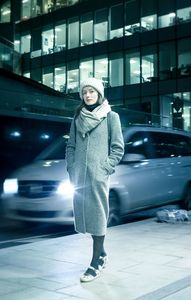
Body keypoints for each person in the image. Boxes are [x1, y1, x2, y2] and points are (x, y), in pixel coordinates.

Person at [66, 77, 124, 282]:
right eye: (84, 92)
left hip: (98, 176)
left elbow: (118, 148)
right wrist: (71, 167)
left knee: (98, 216)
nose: (88, 95)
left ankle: (95, 262)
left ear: (99, 94)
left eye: (92, 91)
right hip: (79, 177)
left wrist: (104, 168)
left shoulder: (111, 117)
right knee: (88, 217)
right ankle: (102, 254)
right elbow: (70, 146)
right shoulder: (77, 118)